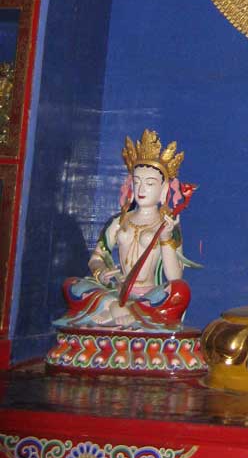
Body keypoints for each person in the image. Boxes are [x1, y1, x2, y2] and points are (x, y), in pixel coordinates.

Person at [57, 129, 195, 330]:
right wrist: (101, 272)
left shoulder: (167, 225)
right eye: (137, 182)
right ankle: (119, 308)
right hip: (117, 291)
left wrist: (165, 239)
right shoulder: (119, 221)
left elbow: (174, 277)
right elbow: (96, 257)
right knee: (72, 285)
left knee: (180, 291)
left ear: (164, 189)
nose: (141, 189)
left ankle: (125, 310)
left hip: (149, 295)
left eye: (149, 183)